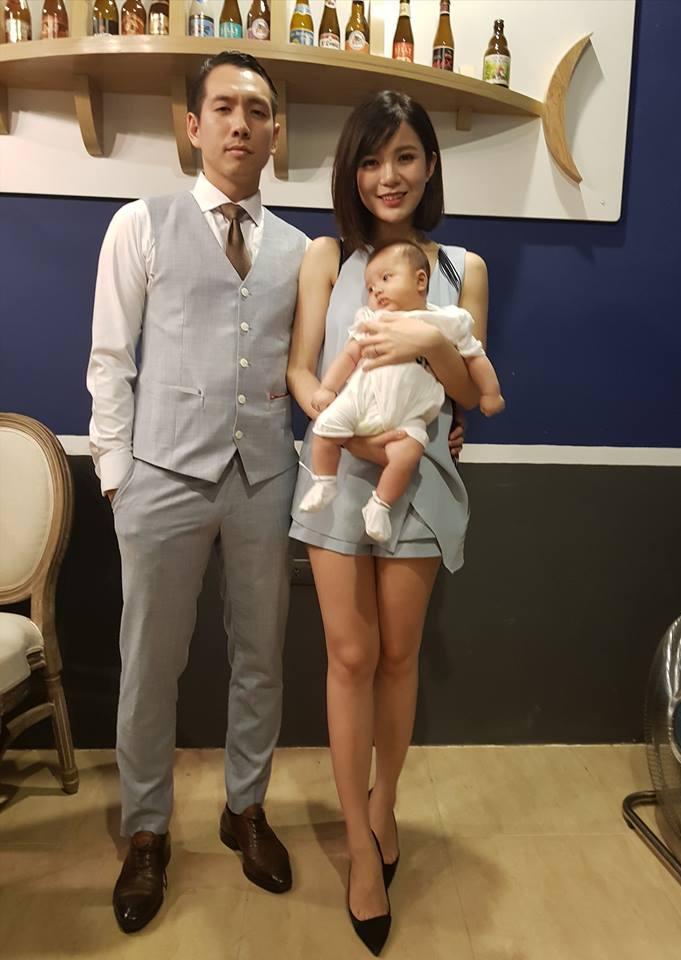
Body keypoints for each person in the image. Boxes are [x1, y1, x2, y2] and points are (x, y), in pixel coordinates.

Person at [86, 51, 307, 933]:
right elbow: (111, 358)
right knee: (151, 664)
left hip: (265, 477)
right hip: (162, 478)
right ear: (193, 125)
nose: (240, 123)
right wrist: (117, 478)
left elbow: (317, 367)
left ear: (275, 132)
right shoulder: (139, 224)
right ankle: (146, 830)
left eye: (256, 109)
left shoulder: (301, 250)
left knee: (261, 655)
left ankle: (244, 808)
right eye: (223, 107)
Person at [287, 90, 490, 955]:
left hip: (420, 477)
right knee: (350, 657)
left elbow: (466, 386)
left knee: (400, 657)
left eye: (405, 156)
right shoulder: (327, 256)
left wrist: (426, 343)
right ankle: (359, 847)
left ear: (430, 165)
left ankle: (386, 803)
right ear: (352, 171)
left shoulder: (463, 269)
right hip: (339, 475)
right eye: (371, 160)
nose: (388, 176)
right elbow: (303, 372)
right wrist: (341, 426)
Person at [299, 239, 503, 542]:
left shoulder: (445, 320)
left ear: (420, 280)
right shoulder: (372, 318)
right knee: (326, 429)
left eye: (385, 279)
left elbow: (476, 358)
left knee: (407, 454)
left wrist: (490, 393)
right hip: (361, 400)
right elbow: (349, 356)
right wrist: (328, 388)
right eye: (370, 288)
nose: (377, 291)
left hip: (410, 415)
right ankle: (324, 481)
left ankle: (379, 505)